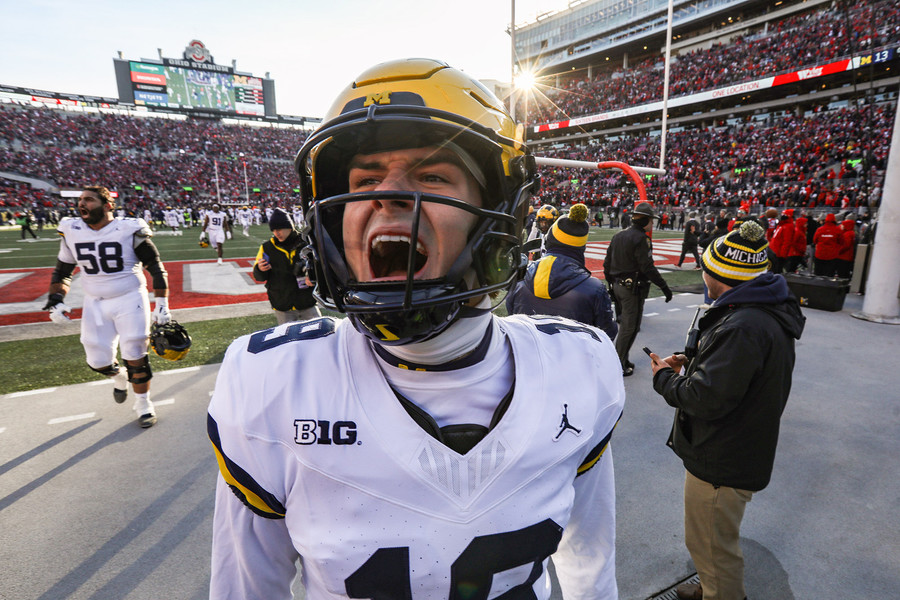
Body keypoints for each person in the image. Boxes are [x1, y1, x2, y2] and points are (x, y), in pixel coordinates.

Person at [208, 58, 625, 600]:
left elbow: (590, 562)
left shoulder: (579, 365)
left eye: (432, 175)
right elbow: (247, 589)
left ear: (499, 214)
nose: (389, 195)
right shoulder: (273, 382)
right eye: (365, 179)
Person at [648, 220, 805, 600]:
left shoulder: (743, 325)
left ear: (720, 275)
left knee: (714, 546)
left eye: (707, 267)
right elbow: (738, 373)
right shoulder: (755, 314)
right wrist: (697, 357)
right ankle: (711, 584)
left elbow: (706, 398)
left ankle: (721, 592)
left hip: (723, 455)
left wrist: (663, 379)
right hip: (736, 445)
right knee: (710, 539)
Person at [43, 186, 171, 428]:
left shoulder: (128, 228)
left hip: (129, 297)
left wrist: (162, 303)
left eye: (89, 200)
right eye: (80, 200)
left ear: (108, 205)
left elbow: (155, 266)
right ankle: (119, 375)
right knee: (97, 360)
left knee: (135, 351)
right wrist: (57, 299)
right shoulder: (72, 229)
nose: (82, 204)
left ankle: (143, 404)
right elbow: (63, 270)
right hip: (94, 303)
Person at [506, 203, 617, 339]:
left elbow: (511, 319)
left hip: (527, 357)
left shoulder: (521, 277)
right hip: (573, 359)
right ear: (581, 248)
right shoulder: (595, 289)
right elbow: (607, 334)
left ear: (549, 240)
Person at [603, 201, 673, 376]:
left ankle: (623, 359)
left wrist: (611, 285)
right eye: (651, 220)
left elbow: (606, 264)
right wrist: (664, 287)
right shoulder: (641, 239)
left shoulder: (618, 235)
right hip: (631, 289)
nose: (652, 224)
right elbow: (647, 267)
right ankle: (617, 363)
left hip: (618, 286)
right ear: (645, 220)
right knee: (629, 328)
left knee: (628, 327)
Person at [252, 207, 321, 324]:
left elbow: (320, 267)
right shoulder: (267, 248)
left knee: (319, 335)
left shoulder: (306, 243)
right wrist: (260, 269)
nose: (276, 233)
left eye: (279, 229)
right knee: (289, 341)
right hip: (282, 303)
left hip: (307, 300)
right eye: (273, 230)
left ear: (290, 227)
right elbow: (259, 277)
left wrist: (313, 276)